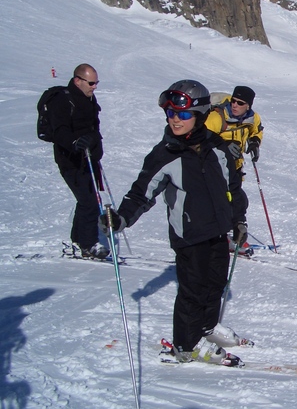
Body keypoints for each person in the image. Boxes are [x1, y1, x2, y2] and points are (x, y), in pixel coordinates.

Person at [101, 80, 250, 366]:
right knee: (192, 291)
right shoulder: (165, 154)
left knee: (216, 282)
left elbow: (233, 188)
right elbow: (141, 193)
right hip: (189, 233)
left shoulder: (218, 148)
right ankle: (185, 344)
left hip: (218, 230)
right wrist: (121, 219)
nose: (174, 120)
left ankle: (206, 328)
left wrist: (238, 220)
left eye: (182, 115)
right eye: (169, 114)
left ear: (201, 115)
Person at [49, 64, 108, 259]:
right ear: (78, 80)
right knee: (88, 202)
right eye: (91, 83)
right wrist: (75, 143)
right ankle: (88, 244)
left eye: (96, 83)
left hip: (88, 158)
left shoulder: (89, 99)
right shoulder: (63, 100)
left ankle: (77, 239)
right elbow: (60, 130)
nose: (94, 87)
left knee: (88, 199)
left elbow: (94, 127)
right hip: (70, 159)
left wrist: (95, 145)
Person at [205, 86, 263, 255]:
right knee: (218, 202)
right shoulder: (217, 117)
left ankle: (235, 235)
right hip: (213, 168)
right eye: (233, 101)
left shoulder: (252, 118)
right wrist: (224, 146)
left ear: (248, 106)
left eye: (240, 103)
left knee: (238, 201)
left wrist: (254, 143)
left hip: (235, 168)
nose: (235, 105)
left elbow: (257, 130)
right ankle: (217, 237)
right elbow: (203, 136)